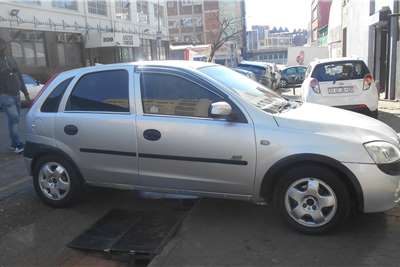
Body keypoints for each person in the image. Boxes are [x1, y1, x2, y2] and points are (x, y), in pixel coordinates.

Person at [0, 38, 30, 154]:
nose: (2, 47)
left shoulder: (11, 59)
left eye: (3, 45)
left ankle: (13, 144)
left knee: (13, 121)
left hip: (16, 94)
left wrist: (25, 92)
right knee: (15, 119)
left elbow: (20, 77)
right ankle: (18, 144)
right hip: (5, 96)